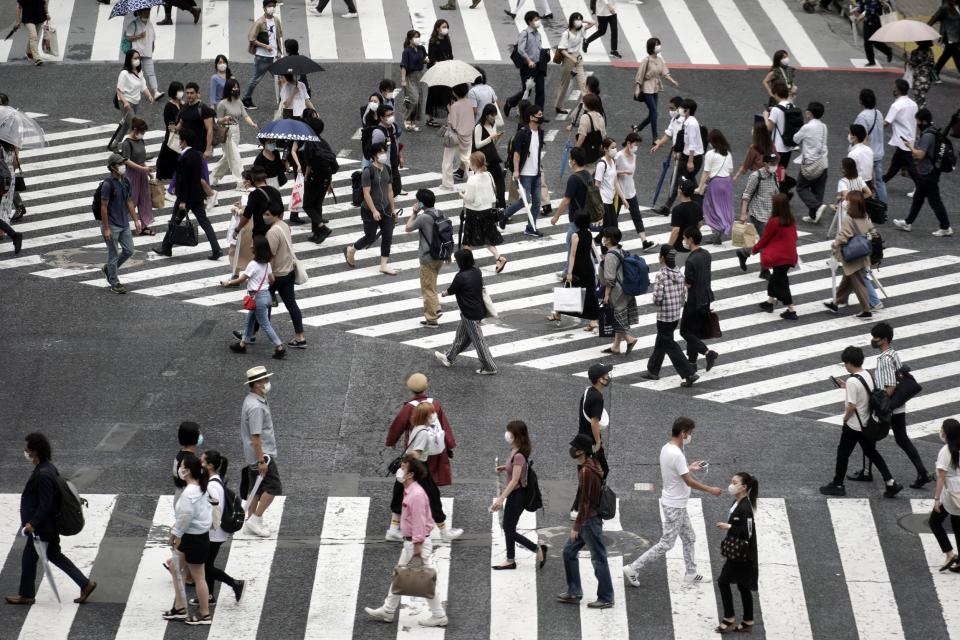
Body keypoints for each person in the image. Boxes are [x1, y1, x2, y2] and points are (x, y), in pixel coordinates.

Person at [623, 417, 722, 587]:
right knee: (667, 543)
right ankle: (633, 567)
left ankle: (691, 573)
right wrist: (710, 490)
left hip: (677, 504)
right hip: (674, 505)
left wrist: (688, 467)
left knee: (690, 537)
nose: (690, 436)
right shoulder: (677, 454)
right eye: (690, 433)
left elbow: (675, 471)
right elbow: (689, 481)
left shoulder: (667, 448)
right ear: (683, 433)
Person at [6, 433, 97, 606]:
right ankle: (85, 584)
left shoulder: (43, 475)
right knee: (53, 555)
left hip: (43, 528)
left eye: (27, 448)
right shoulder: (47, 467)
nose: (24, 451)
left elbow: (46, 503)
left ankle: (26, 595)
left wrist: (33, 523)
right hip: (47, 526)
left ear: (36, 451)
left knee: (30, 558)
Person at [364, 457, 448, 627]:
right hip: (412, 542)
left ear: (410, 474)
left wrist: (417, 545)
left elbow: (418, 520)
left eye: (402, 468)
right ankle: (388, 610)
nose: (399, 470)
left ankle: (439, 615)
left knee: (424, 579)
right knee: (400, 577)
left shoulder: (416, 494)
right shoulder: (410, 490)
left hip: (416, 543)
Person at [848, 322, 932, 486]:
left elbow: (891, 386)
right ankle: (922, 472)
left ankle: (867, 472)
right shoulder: (893, 354)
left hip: (888, 406)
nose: (873, 340)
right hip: (898, 405)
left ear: (884, 340)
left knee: (868, 435)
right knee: (902, 439)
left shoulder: (884, 359)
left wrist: (881, 404)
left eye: (876, 338)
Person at [819, 346, 904, 497]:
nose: (845, 366)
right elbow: (865, 393)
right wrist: (845, 386)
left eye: (845, 363)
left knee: (843, 454)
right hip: (867, 424)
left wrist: (845, 418)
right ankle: (891, 482)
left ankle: (838, 484)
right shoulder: (867, 374)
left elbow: (852, 406)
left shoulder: (853, 381)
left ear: (850, 363)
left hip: (853, 426)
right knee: (872, 453)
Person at [384, 373, 460, 540]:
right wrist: (449, 445)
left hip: (413, 459)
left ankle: (393, 529)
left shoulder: (409, 409)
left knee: (400, 491)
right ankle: (443, 530)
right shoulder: (434, 405)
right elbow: (444, 426)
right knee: (432, 494)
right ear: (426, 386)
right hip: (424, 459)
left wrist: (391, 442)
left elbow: (397, 426)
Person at [558, 433, 614, 609]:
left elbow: (586, 502)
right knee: (568, 552)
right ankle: (574, 591)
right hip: (588, 520)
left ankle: (606, 597)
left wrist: (576, 526)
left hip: (589, 522)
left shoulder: (586, 471)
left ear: (581, 451)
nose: (572, 450)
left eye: (575, 447)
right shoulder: (592, 463)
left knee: (598, 559)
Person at [162, 453, 213, 625]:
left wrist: (175, 535)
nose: (180, 469)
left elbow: (185, 517)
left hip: (192, 538)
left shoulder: (189, 493)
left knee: (198, 577)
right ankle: (180, 607)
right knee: (176, 568)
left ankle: (205, 614)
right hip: (199, 536)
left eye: (183, 466)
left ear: (189, 471)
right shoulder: (201, 487)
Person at [154, 130, 221, 259]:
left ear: (184, 141)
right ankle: (216, 249)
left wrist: (183, 200)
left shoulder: (184, 157)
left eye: (180, 140)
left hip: (186, 197)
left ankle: (166, 248)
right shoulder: (197, 155)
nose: (179, 143)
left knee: (175, 221)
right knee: (205, 223)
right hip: (197, 195)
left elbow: (184, 180)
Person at [491, 420, 548, 570]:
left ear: (516, 435)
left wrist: (501, 498)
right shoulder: (515, 450)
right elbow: (517, 470)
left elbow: (515, 480)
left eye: (509, 431)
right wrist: (504, 468)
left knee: (508, 529)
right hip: (515, 494)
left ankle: (537, 549)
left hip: (517, 496)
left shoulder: (518, 456)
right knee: (509, 527)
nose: (507, 434)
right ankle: (510, 560)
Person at [640, 245, 698, 385]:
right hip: (675, 314)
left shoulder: (661, 275)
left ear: (663, 258)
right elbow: (684, 293)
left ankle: (688, 373)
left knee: (669, 345)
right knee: (662, 341)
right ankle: (653, 370)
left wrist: (654, 298)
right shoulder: (679, 273)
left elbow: (658, 297)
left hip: (664, 316)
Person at [435, 249, 498, 374]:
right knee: (461, 337)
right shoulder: (477, 271)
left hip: (470, 314)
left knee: (478, 341)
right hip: (475, 309)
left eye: (457, 260)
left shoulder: (460, 277)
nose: (456, 262)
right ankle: (449, 358)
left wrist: (443, 293)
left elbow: (451, 290)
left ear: (461, 262)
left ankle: (490, 367)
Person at [222, 235, 286, 358]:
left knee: (265, 324)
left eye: (253, 244)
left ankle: (279, 347)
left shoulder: (253, 264)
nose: (251, 245)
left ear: (257, 249)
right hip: (265, 296)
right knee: (249, 320)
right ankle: (242, 344)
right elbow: (272, 279)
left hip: (257, 298)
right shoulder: (267, 264)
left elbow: (241, 279)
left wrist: (228, 282)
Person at [238, 365, 284, 536]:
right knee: (273, 487)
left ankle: (251, 521)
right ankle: (256, 519)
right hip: (262, 455)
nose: (267, 382)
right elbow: (255, 437)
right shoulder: (256, 407)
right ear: (256, 383)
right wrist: (262, 461)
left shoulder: (251, 399)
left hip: (253, 454)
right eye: (265, 380)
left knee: (255, 489)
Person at [737, 193, 799, 319]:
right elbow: (795, 237)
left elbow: (764, 239)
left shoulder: (774, 221)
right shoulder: (790, 220)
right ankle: (769, 303)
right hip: (790, 256)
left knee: (782, 283)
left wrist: (753, 250)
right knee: (775, 279)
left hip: (779, 258)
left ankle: (791, 310)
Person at [893, 108, 953, 236]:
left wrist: (910, 147)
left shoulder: (927, 135)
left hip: (928, 173)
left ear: (923, 121)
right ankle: (908, 222)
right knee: (918, 198)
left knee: (934, 201)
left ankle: (946, 227)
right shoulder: (932, 131)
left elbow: (920, 155)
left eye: (918, 121)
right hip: (929, 171)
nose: (917, 124)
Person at [715, 472, 760, 634]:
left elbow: (747, 532)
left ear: (744, 487)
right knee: (743, 586)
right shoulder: (737, 502)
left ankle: (729, 618)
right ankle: (748, 621)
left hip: (743, 555)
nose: (731, 485)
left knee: (723, 582)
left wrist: (728, 527)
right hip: (739, 552)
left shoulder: (745, 507)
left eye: (734, 483)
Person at [344, 142, 399, 275]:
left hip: (385, 208)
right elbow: (366, 193)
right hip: (369, 210)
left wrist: (393, 209)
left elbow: (390, 190)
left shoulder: (387, 168)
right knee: (370, 237)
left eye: (384, 151)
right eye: (380, 152)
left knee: (388, 235)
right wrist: (374, 211)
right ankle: (352, 249)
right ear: (374, 155)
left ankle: (384, 265)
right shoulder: (368, 172)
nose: (383, 154)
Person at [199, 451, 245, 605]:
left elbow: (214, 509)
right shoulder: (216, 480)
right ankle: (210, 596)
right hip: (217, 532)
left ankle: (235, 583)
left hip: (213, 532)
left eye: (202, 461)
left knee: (205, 566)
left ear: (210, 465)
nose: (200, 463)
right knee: (208, 564)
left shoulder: (212, 485)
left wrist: (205, 527)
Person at [823, 191, 875, 319]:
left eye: (847, 200)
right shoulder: (864, 215)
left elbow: (844, 236)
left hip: (851, 254)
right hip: (863, 252)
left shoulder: (849, 218)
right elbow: (872, 231)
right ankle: (836, 302)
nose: (845, 202)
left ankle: (866, 310)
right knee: (848, 278)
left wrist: (835, 244)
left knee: (857, 282)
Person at [96, 152, 141, 294]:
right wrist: (107, 228)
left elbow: (129, 201)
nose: (123, 166)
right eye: (120, 164)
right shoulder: (108, 185)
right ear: (113, 167)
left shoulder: (125, 181)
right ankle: (114, 282)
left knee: (129, 250)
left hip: (124, 224)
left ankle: (109, 269)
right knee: (113, 254)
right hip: (112, 225)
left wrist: (136, 220)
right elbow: (103, 207)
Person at [263, 207, 306, 349]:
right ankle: (300, 337)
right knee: (291, 304)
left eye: (268, 214)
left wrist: (267, 274)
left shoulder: (272, 232)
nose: (264, 216)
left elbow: (270, 256)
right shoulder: (284, 225)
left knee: (262, 302)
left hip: (276, 274)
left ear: (276, 214)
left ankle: (253, 332)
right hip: (288, 271)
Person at [404, 189, 447, 328]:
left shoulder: (423, 217)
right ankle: (436, 307)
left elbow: (408, 227)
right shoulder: (439, 213)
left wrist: (414, 213)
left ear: (421, 203)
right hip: (440, 255)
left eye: (418, 201)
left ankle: (432, 319)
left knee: (427, 288)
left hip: (427, 256)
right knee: (432, 284)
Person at [501, 105, 544, 237]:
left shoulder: (540, 132)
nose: (541, 118)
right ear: (531, 117)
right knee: (525, 201)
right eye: (539, 115)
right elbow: (517, 153)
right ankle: (503, 215)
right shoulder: (522, 133)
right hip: (524, 173)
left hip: (536, 173)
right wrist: (516, 171)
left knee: (537, 202)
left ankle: (531, 227)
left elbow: (537, 152)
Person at [457, 153, 506, 271]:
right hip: (487, 211)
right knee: (487, 238)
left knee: (468, 241)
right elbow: (493, 190)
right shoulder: (488, 175)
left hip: (474, 213)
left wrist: (461, 194)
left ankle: (466, 265)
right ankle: (499, 258)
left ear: (473, 164)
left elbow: (469, 199)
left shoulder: (472, 180)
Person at [551, 212, 600, 329]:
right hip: (588, 267)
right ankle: (593, 320)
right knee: (590, 293)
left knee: (569, 289)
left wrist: (569, 272)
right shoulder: (589, 233)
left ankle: (558, 313)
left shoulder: (575, 236)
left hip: (578, 267)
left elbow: (572, 255)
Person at [679, 227, 719, 371]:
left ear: (690, 239)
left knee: (684, 331)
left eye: (684, 238)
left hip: (694, 301)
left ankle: (708, 353)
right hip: (706, 297)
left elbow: (689, 282)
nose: (683, 241)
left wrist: (680, 279)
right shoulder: (706, 254)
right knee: (694, 332)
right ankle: (692, 362)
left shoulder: (691, 260)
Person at [212, 79, 258, 187]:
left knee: (227, 157)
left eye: (237, 87)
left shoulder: (239, 102)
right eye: (234, 87)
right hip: (227, 132)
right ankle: (241, 182)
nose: (236, 89)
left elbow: (245, 115)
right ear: (228, 89)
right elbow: (217, 120)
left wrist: (252, 124)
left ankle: (212, 177)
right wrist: (225, 118)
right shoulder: (222, 104)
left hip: (236, 131)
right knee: (235, 157)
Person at [928, 418, 960, 573]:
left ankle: (949, 554)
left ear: (946, 433)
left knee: (934, 522)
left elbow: (941, 477)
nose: (940, 431)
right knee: (957, 525)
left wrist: (937, 499)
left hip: (951, 494)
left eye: (942, 429)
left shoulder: (946, 451)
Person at [614, 132, 655, 249]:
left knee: (637, 216)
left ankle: (644, 242)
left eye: (638, 144)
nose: (636, 147)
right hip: (618, 192)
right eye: (635, 144)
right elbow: (611, 173)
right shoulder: (618, 156)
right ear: (628, 143)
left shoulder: (634, 156)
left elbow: (631, 175)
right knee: (613, 218)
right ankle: (603, 238)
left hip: (631, 191)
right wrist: (622, 172)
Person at [299, 113, 336, 244]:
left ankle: (321, 227)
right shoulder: (323, 142)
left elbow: (308, 164)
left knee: (308, 205)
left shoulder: (310, 144)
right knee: (317, 205)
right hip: (326, 177)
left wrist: (306, 177)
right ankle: (317, 233)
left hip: (315, 178)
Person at [792, 101, 829, 225]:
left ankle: (817, 207)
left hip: (810, 163)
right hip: (823, 162)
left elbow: (795, 139)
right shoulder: (824, 127)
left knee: (801, 187)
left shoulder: (807, 127)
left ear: (810, 113)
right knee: (818, 189)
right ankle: (813, 216)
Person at [633, 37, 679, 138]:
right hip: (647, 88)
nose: (659, 46)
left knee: (653, 114)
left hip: (655, 88)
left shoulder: (660, 60)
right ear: (651, 47)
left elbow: (664, 72)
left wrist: (672, 81)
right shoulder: (646, 60)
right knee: (654, 113)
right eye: (656, 44)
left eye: (659, 44)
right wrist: (637, 88)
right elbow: (639, 75)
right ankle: (655, 137)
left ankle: (637, 129)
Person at [242, 0, 283, 111]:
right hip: (263, 57)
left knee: (280, 78)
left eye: (273, 6)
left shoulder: (276, 20)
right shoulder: (260, 22)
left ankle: (283, 101)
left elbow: (277, 37)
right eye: (269, 6)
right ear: (264, 8)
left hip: (274, 56)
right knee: (256, 79)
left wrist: (279, 52)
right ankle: (246, 99)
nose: (272, 8)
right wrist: (266, 46)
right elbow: (251, 38)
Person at [650, 95, 688, 214]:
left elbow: (686, 141)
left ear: (678, 108)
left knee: (676, 181)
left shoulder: (684, 122)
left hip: (684, 156)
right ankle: (668, 206)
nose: (670, 110)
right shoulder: (674, 120)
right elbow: (669, 134)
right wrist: (658, 145)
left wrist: (677, 151)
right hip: (678, 155)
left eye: (672, 108)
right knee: (681, 180)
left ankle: (667, 207)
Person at [696, 129, 734, 245]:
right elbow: (731, 170)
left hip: (715, 183)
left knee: (710, 208)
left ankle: (718, 229)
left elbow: (706, 172)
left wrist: (700, 187)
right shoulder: (727, 153)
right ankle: (720, 232)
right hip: (727, 183)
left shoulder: (710, 154)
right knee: (724, 208)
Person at [112, 49, 155, 151]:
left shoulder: (139, 72)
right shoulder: (124, 74)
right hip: (126, 103)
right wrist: (125, 102)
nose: (138, 60)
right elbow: (119, 90)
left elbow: (143, 87)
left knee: (127, 126)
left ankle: (114, 144)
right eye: (135, 58)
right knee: (136, 127)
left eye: (138, 58)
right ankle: (139, 151)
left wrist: (149, 96)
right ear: (129, 60)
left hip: (135, 102)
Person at [505, 12, 547, 114]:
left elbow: (538, 49)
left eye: (538, 19)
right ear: (529, 21)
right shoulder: (525, 34)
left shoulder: (538, 34)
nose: (538, 22)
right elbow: (521, 50)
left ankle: (538, 113)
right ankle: (510, 102)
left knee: (540, 90)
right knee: (527, 90)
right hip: (528, 66)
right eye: (536, 20)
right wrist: (529, 61)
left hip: (538, 65)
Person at [120, 118, 155, 236]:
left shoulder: (141, 141)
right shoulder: (127, 143)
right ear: (135, 130)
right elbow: (126, 161)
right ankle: (120, 225)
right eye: (142, 132)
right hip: (131, 175)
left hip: (142, 174)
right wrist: (142, 169)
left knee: (145, 199)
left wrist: (147, 171)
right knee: (131, 200)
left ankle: (145, 226)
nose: (143, 134)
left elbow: (142, 158)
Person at [881, 79, 918, 188]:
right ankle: (882, 181)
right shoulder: (913, 104)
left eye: (894, 87)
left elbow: (885, 123)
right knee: (896, 165)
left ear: (897, 90)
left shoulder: (896, 105)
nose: (893, 89)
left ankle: (921, 186)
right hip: (910, 139)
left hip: (903, 141)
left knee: (910, 167)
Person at [854, 88, 887, 203]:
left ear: (862, 101)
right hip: (878, 153)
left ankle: (847, 204)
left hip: (867, 154)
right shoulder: (879, 113)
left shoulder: (862, 117)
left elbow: (860, 135)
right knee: (878, 181)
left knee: (856, 179)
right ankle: (883, 207)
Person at [555, 13, 591, 115]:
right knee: (565, 84)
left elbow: (593, 23)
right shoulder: (566, 34)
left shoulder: (581, 30)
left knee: (583, 82)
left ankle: (587, 106)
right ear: (572, 21)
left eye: (580, 19)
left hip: (578, 58)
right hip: (568, 59)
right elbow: (562, 50)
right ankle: (559, 106)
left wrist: (582, 21)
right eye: (577, 19)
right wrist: (572, 59)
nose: (579, 21)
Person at [473, 103, 506, 211]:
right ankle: (482, 209)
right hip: (482, 161)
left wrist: (498, 138)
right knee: (482, 186)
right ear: (487, 115)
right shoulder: (479, 127)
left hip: (493, 158)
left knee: (500, 183)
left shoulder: (493, 125)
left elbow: (493, 144)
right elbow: (477, 145)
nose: (494, 118)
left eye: (495, 115)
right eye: (493, 116)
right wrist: (490, 138)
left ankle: (501, 209)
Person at [739, 152, 779, 240]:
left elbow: (776, 192)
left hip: (770, 214)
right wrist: (743, 214)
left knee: (765, 241)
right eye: (772, 164)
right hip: (758, 215)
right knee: (766, 241)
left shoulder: (774, 175)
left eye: (776, 163)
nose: (775, 166)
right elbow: (746, 195)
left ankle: (745, 252)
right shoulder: (756, 176)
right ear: (765, 164)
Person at [442, 84, 474, 190]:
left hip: (454, 138)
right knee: (467, 160)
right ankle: (473, 180)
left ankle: (447, 184)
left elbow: (453, 124)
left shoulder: (455, 106)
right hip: (467, 136)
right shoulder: (469, 103)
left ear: (455, 93)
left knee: (448, 161)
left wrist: (450, 110)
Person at [124, 10, 161, 100]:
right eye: (146, 11)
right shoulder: (134, 24)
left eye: (149, 11)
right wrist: (139, 36)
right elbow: (128, 37)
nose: (148, 13)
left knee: (151, 73)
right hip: (136, 54)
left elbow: (153, 38)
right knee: (134, 73)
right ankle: (129, 91)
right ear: (139, 13)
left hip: (147, 53)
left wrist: (152, 49)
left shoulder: (150, 24)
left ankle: (155, 91)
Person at [176, 82, 216, 162]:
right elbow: (181, 123)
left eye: (192, 93)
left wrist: (208, 149)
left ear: (198, 94)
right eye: (187, 93)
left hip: (199, 149)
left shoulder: (203, 109)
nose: (189, 95)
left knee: (199, 172)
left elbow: (210, 130)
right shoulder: (185, 107)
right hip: (186, 147)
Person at [425, 20, 454, 128]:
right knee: (433, 94)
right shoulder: (433, 41)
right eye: (444, 26)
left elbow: (450, 54)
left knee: (448, 93)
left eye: (447, 26)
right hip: (436, 71)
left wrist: (450, 63)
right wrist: (438, 63)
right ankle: (429, 117)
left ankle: (451, 118)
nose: (446, 29)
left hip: (446, 70)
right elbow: (432, 57)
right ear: (437, 28)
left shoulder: (447, 40)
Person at [399, 30, 429, 131]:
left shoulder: (421, 48)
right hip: (410, 77)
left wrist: (426, 60)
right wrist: (403, 79)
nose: (418, 39)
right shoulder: (406, 51)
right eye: (416, 37)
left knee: (419, 100)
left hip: (420, 76)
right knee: (414, 99)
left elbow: (425, 58)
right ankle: (407, 119)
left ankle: (413, 121)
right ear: (410, 39)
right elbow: (403, 66)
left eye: (418, 36)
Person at [763, 82, 795, 172]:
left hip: (777, 147)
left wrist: (766, 116)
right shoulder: (792, 106)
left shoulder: (776, 110)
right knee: (782, 172)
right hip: (788, 146)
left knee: (773, 173)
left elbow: (769, 128)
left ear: (776, 94)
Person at [155, 82, 184, 183]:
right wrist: (181, 123)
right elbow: (171, 127)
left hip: (182, 138)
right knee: (166, 160)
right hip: (172, 139)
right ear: (173, 92)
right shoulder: (169, 107)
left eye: (181, 90)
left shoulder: (182, 104)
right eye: (178, 91)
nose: (181, 93)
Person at [854, 0, 894, 67]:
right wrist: (856, 16)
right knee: (867, 42)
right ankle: (871, 61)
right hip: (867, 23)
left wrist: (884, 3)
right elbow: (861, 10)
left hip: (877, 23)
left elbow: (888, 9)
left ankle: (888, 51)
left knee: (875, 42)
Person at [668, 178, 701, 253]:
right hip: (692, 244)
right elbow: (700, 223)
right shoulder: (696, 205)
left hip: (679, 246)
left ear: (680, 191)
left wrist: (668, 247)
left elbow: (676, 230)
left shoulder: (677, 209)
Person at [929, 0, 960, 78]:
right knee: (957, 57)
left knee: (946, 55)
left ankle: (935, 71)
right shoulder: (945, 8)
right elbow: (934, 18)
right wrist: (925, 29)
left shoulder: (958, 7)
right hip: (949, 37)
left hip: (957, 36)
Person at [575, 93, 606, 169]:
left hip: (586, 151)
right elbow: (604, 135)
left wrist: (575, 150)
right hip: (596, 150)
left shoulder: (585, 117)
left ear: (587, 105)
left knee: (586, 170)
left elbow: (582, 136)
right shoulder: (600, 116)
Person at [14, 0, 47, 66]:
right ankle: (37, 58)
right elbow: (18, 7)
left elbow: (44, 2)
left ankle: (29, 52)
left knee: (34, 36)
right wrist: (17, 21)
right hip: (28, 18)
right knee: (34, 36)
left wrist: (47, 13)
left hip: (40, 17)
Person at [907, 41, 936, 109]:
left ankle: (922, 115)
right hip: (927, 79)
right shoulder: (930, 51)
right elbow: (932, 64)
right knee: (920, 98)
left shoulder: (915, 52)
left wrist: (905, 58)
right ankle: (920, 114)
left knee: (919, 100)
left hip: (918, 79)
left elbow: (913, 64)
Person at [846, 123, 875, 188]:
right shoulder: (869, 150)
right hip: (868, 183)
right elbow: (871, 169)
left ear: (855, 137)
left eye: (850, 133)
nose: (849, 135)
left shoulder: (852, 154)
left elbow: (849, 174)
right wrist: (874, 184)